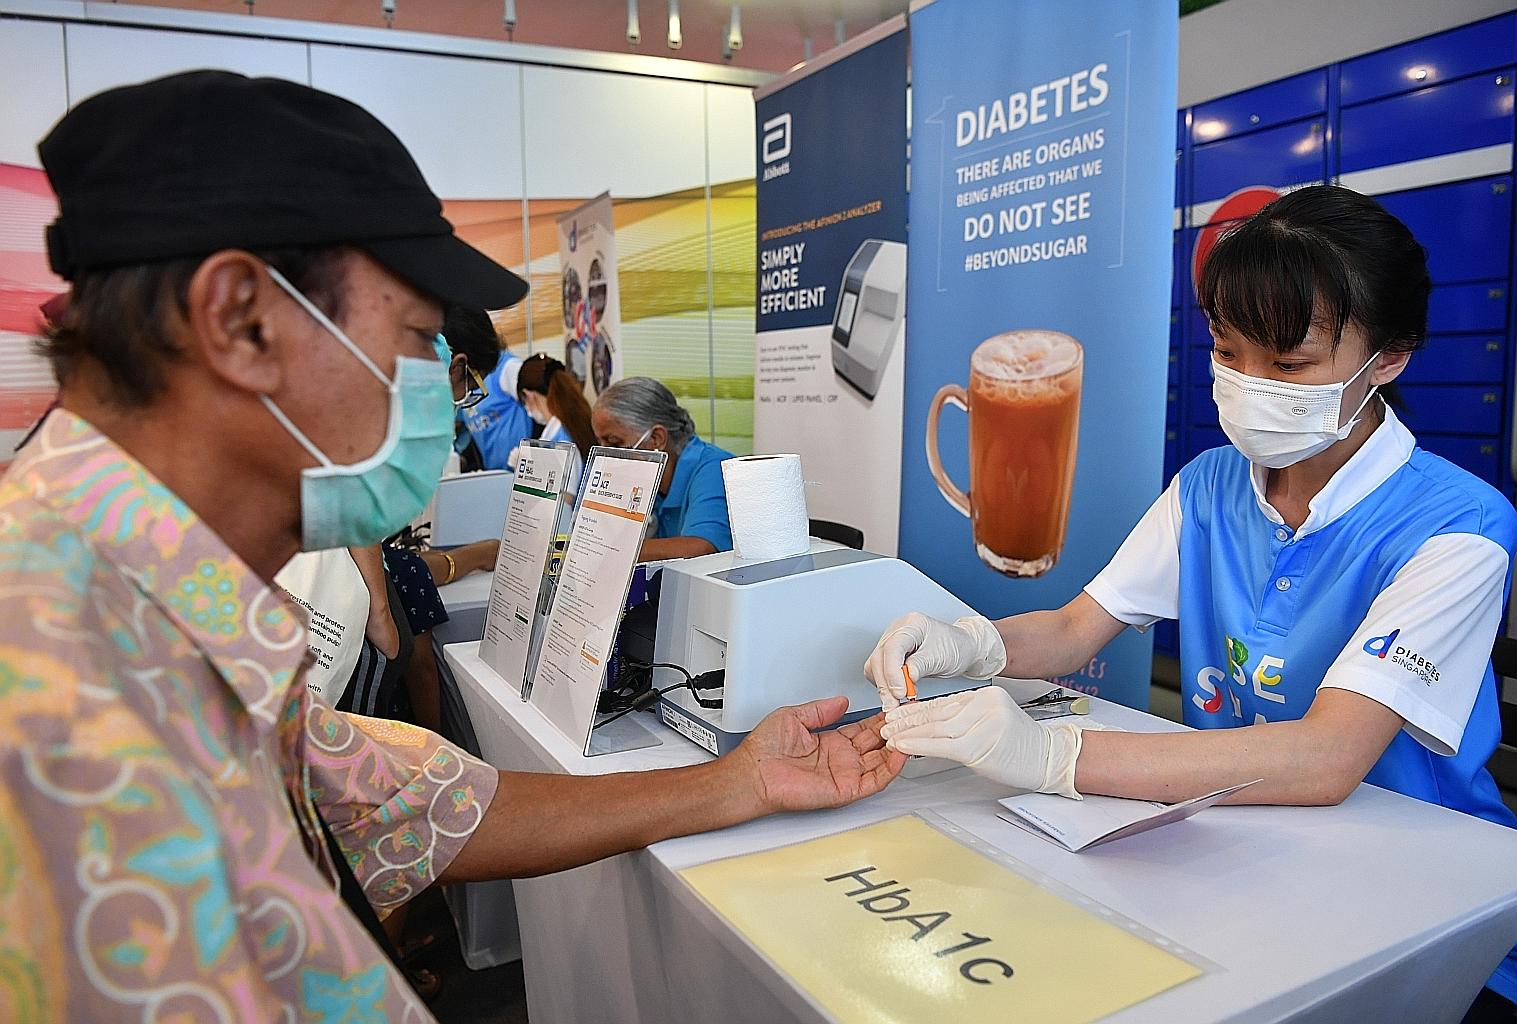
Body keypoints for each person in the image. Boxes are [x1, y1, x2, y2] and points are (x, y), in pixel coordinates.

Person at [0, 70, 904, 1021]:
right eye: (414, 339)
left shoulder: (156, 617)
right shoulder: (60, 703)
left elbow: (409, 802)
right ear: (241, 320)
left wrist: (737, 781)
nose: (432, 392)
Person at [869, 185, 1517, 1022]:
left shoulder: (1459, 527)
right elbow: (1075, 628)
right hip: (1241, 854)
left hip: (1429, 905)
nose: (1249, 384)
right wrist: (967, 643)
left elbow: (1328, 758)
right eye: (1227, 350)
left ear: (1389, 359)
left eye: (1288, 365)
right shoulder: (1211, 485)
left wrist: (1054, 756)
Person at [592, 376, 735, 561]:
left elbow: (699, 548)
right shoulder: (647, 477)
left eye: (614, 443)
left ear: (657, 438)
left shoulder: (715, 468)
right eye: (601, 444)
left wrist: (602, 550)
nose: (607, 456)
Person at [445, 304, 533, 471]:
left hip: (513, 471)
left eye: (474, 388)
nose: (470, 393)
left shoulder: (506, 369)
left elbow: (541, 396)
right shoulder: (455, 387)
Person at [517, 352, 597, 458]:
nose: (527, 409)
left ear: (528, 394)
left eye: (524, 401)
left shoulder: (561, 439)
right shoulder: (575, 422)